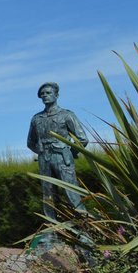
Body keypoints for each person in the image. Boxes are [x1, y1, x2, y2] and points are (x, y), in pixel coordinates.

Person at [27, 82, 89, 221]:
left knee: (71, 192)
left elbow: (82, 139)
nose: (45, 96)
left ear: (56, 95)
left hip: (62, 158)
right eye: (42, 94)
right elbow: (30, 142)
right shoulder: (36, 118)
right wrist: (40, 152)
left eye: (48, 93)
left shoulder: (67, 115)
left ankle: (85, 225)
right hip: (44, 159)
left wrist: (70, 153)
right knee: (48, 194)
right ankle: (52, 226)